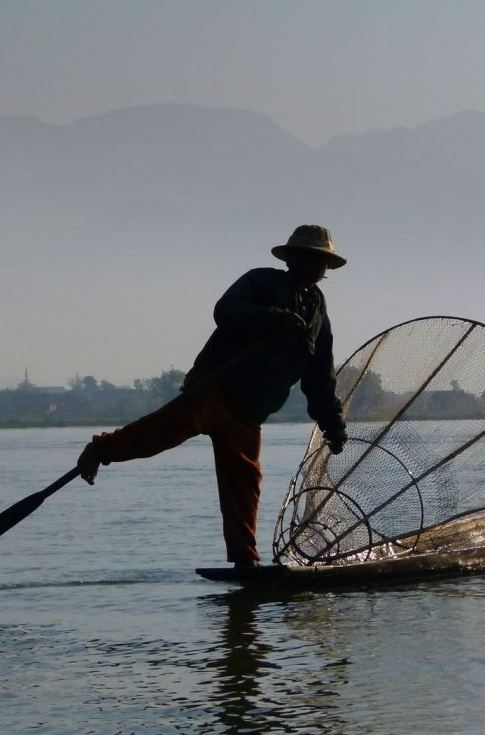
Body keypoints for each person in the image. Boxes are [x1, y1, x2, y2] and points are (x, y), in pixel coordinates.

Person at [76, 224, 349, 567]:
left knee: (245, 485)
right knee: (160, 434)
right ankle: (100, 449)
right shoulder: (262, 281)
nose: (314, 266)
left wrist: (332, 425)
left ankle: (244, 562)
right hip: (214, 389)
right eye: (307, 257)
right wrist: (270, 318)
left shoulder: (318, 314)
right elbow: (226, 310)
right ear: (292, 258)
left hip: (249, 411)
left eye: (320, 260)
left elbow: (320, 378)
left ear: (326, 268)